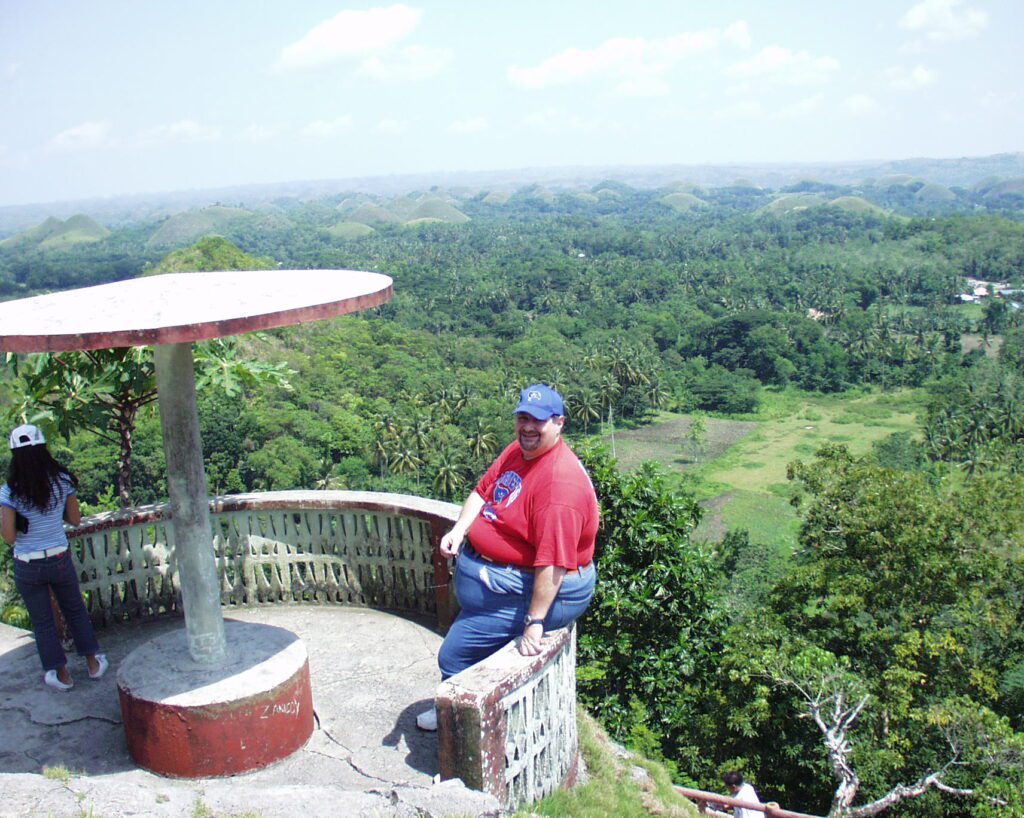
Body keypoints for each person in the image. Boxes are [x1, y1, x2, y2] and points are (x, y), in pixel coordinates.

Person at [417, 384, 599, 731]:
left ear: (559, 423)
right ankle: (469, 714)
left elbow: (553, 564)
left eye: (538, 421)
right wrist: (459, 531)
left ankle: (460, 728)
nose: (528, 427)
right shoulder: (518, 451)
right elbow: (483, 492)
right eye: (522, 418)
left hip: (534, 587)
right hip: (498, 584)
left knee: (453, 655)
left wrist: (534, 622)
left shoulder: (559, 485)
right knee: (474, 652)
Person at [1, 424, 108, 691]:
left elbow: (9, 537)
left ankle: (62, 675)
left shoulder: (9, 491)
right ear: (44, 448)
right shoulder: (62, 481)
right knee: (74, 610)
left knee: (42, 621)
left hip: (28, 563)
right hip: (59, 557)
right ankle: (93, 665)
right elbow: (74, 519)